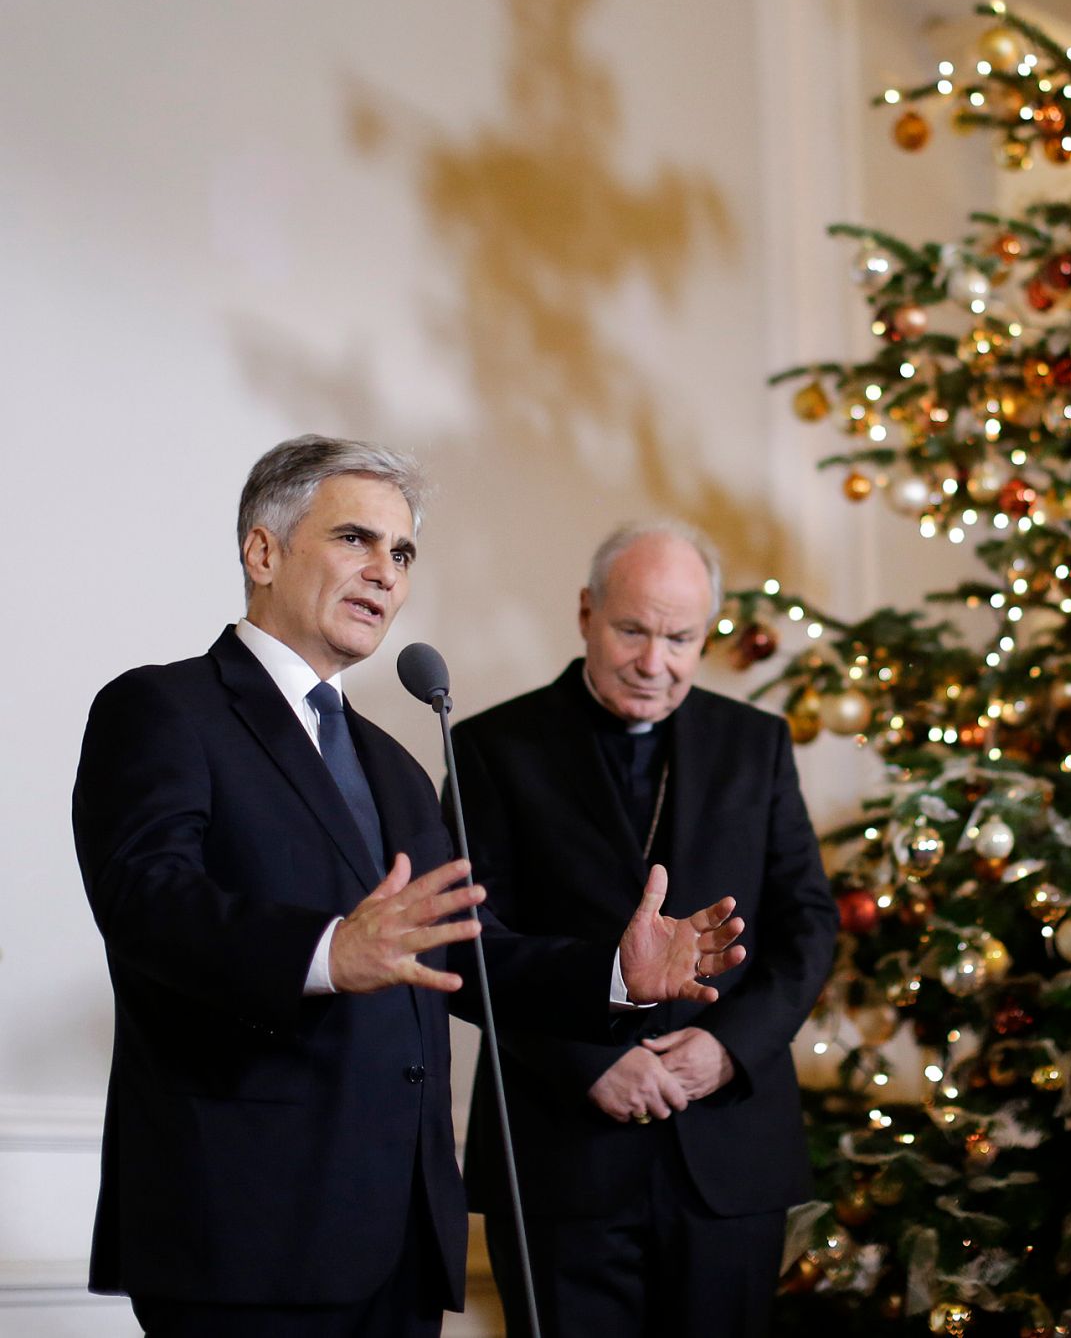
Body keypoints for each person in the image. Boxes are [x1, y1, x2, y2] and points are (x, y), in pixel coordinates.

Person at [71, 436, 745, 1338]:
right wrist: (324, 952)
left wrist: (611, 977)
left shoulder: (390, 763)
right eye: (356, 539)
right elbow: (146, 903)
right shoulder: (164, 708)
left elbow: (462, 953)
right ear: (262, 552)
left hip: (396, 1228)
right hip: (243, 1221)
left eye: (403, 552)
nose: (386, 573)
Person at [453, 520, 837, 1338]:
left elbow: (806, 923)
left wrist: (725, 1048)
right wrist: (593, 1060)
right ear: (587, 611)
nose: (654, 662)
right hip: (563, 1149)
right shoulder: (492, 748)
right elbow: (469, 941)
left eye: (680, 638)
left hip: (726, 1152)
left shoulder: (756, 743)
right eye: (631, 630)